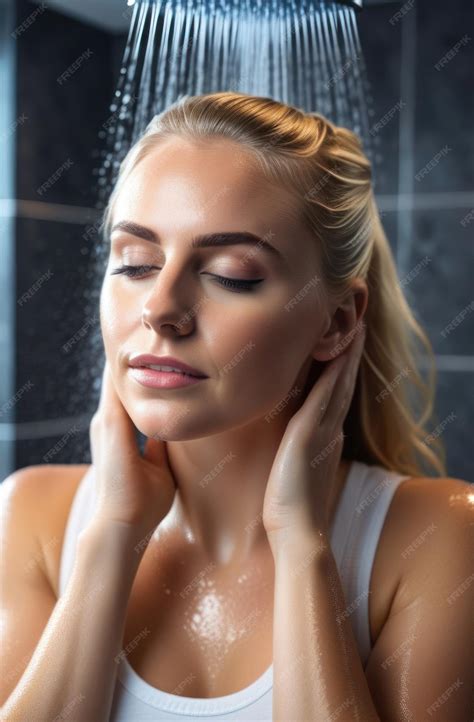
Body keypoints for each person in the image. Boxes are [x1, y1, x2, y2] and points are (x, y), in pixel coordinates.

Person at [1, 91, 472, 722]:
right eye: (136, 263)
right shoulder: (30, 517)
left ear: (336, 322)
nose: (159, 308)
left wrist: (302, 545)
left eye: (230, 275)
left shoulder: (437, 537)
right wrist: (113, 530)